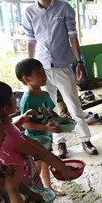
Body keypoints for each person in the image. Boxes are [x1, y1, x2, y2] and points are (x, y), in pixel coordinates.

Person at [23, 0, 97, 157]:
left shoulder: (64, 8)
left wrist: (79, 62)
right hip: (41, 70)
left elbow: (73, 36)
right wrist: (29, 68)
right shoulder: (30, 13)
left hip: (63, 66)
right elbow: (30, 40)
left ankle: (85, 141)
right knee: (49, 110)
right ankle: (60, 143)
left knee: (74, 105)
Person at [0, 80, 76, 196]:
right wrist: (63, 168)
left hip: (27, 177)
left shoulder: (4, 127)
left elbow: (31, 142)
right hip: (22, 185)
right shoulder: (7, 134)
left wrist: (22, 118)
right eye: (12, 96)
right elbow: (39, 152)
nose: (15, 98)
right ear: (5, 109)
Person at [15, 57, 70, 189]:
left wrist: (60, 120)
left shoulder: (44, 94)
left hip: (46, 137)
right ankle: (35, 194)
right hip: (35, 140)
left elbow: (50, 111)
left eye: (43, 71)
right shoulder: (28, 99)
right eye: (38, 73)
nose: (44, 75)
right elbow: (25, 124)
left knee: (45, 162)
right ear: (27, 79)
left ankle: (48, 188)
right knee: (36, 169)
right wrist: (45, 126)